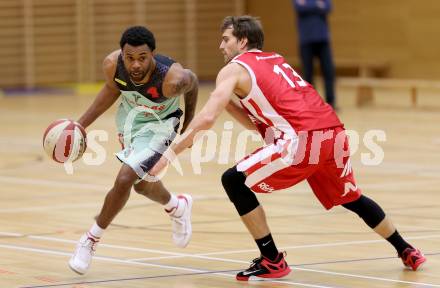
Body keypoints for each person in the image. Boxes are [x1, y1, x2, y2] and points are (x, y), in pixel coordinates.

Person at [150, 16, 426, 281]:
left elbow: (207, 118)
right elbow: (254, 125)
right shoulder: (275, 60)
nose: (221, 46)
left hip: (301, 140)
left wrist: (168, 156)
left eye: (226, 39)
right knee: (351, 198)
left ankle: (271, 259)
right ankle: (406, 250)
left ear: (242, 41)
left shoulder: (234, 68)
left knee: (234, 180)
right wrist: (228, 103)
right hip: (334, 134)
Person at [68, 26, 198, 275]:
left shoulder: (172, 79)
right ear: (122, 55)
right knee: (141, 184)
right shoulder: (112, 66)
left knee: (126, 177)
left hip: (161, 125)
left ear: (152, 54)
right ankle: (177, 206)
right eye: (129, 58)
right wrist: (80, 124)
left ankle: (90, 239)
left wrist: (188, 127)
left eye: (142, 58)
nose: (135, 65)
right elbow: (111, 90)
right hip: (130, 120)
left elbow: (191, 85)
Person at [292, 0, 336, 108]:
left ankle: (331, 102)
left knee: (328, 71)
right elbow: (299, 8)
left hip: (323, 40)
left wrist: (308, 5)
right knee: (308, 74)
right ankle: (311, 103)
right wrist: (317, 5)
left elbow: (328, 7)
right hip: (306, 40)